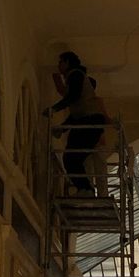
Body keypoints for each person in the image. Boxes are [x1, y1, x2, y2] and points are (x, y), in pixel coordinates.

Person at [44, 51, 107, 195]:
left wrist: (54, 109)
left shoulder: (75, 75)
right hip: (89, 122)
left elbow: (73, 98)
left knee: (71, 157)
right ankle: (85, 188)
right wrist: (63, 128)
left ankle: (86, 189)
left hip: (89, 123)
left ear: (67, 63)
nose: (59, 66)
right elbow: (77, 111)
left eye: (60, 62)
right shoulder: (77, 78)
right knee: (73, 158)